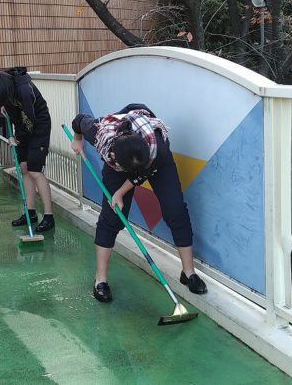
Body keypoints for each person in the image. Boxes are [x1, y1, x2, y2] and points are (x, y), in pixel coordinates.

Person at [70, 103, 207, 302]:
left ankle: (189, 273)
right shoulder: (100, 133)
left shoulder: (157, 148)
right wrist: (77, 139)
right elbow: (78, 120)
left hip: (152, 160)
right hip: (121, 160)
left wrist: (120, 192)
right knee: (112, 217)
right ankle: (100, 280)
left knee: (175, 210)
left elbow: (141, 175)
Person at [0, 67, 54, 232]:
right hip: (22, 125)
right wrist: (5, 106)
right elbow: (16, 114)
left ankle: (48, 217)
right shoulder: (2, 80)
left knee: (35, 170)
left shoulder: (24, 90)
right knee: (24, 168)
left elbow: (29, 120)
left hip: (38, 125)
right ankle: (30, 213)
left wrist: (17, 138)